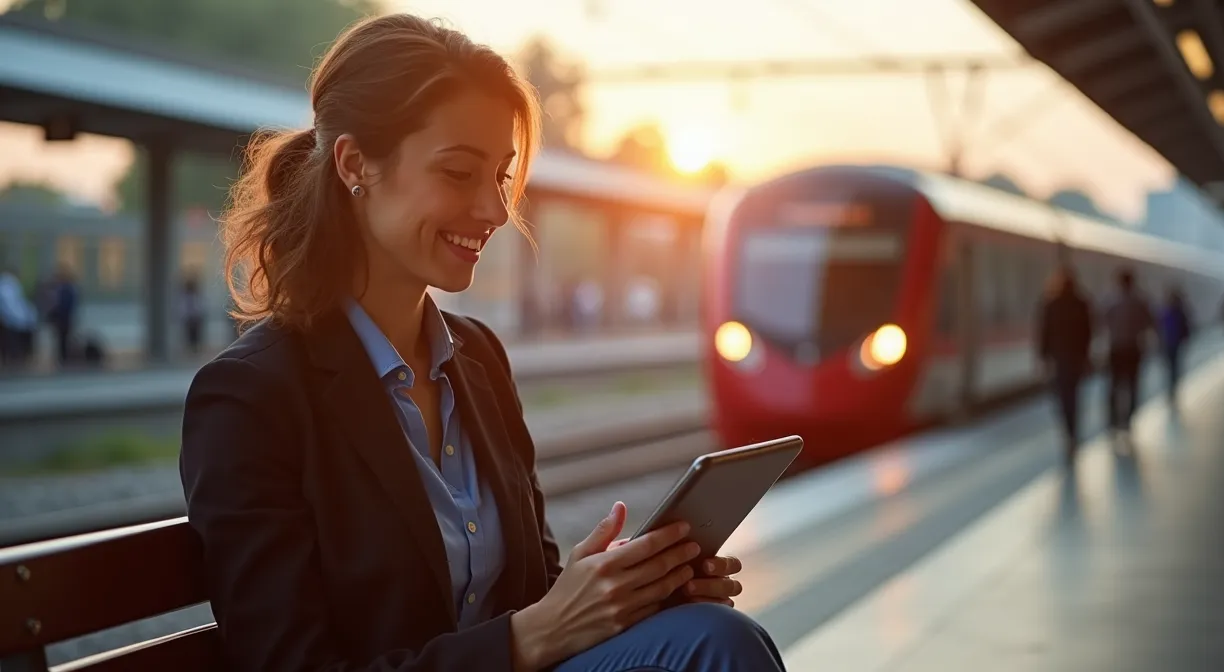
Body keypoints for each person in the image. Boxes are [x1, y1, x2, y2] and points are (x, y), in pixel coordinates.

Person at [179, 14, 783, 672]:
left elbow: (529, 600)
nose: (496, 211)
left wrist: (615, 595)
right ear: (356, 165)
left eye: (499, 177)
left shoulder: (477, 361)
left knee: (711, 633)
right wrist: (534, 635)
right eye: (459, 173)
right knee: (719, 650)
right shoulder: (250, 398)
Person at [1035, 266, 1093, 464]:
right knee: (1074, 397)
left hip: (1059, 359)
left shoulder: (1051, 304)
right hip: (1075, 359)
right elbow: (1088, 333)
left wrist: (1043, 358)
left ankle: (1068, 433)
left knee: (1062, 397)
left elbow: (1043, 333)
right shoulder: (1082, 303)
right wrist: (1086, 357)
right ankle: (1073, 432)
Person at [1102, 268, 1156, 441]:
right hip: (1134, 349)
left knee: (1114, 386)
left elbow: (1102, 322)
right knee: (1133, 386)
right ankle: (1128, 419)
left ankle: (1113, 420)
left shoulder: (1111, 300)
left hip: (1116, 349)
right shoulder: (1141, 301)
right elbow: (1150, 322)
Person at [1158, 286, 1193, 406]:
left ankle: (1172, 389)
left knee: (1171, 367)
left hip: (1170, 342)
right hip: (1175, 343)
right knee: (1174, 366)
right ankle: (1173, 388)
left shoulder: (1166, 311)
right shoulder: (1180, 312)